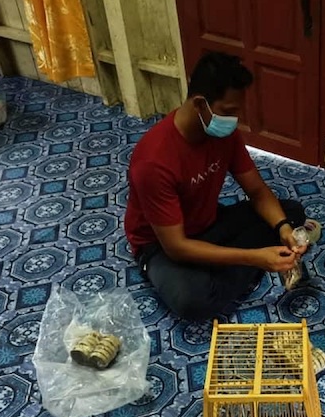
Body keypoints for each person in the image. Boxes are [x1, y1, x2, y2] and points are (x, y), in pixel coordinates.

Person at [124, 52, 307, 320]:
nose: (234, 121)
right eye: (229, 112)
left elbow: (256, 191)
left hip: (209, 222)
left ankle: (228, 265)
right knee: (193, 301)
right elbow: (177, 247)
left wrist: (283, 228)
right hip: (161, 245)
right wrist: (255, 258)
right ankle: (241, 265)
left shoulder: (223, 134)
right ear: (200, 104)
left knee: (290, 212)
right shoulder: (154, 161)